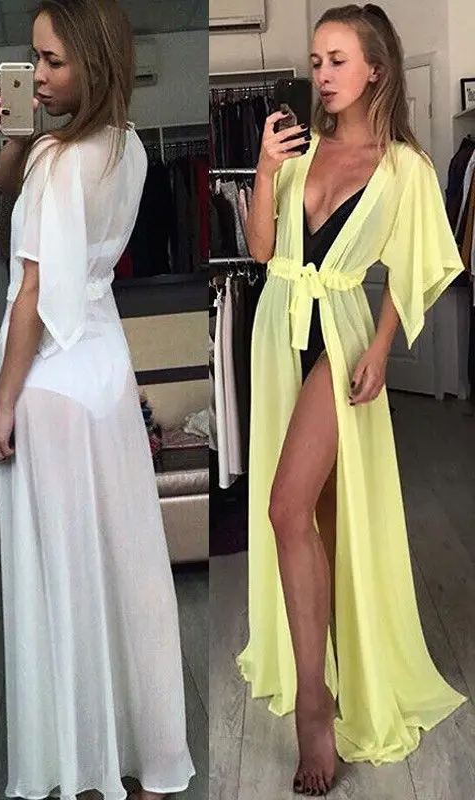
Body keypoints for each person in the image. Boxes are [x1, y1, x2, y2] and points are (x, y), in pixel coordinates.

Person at [238, 3, 466, 795]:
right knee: (316, 516)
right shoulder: (297, 153)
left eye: (338, 60)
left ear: (375, 68)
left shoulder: (405, 167)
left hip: (336, 337)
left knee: (284, 507)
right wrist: (263, 171)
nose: (323, 74)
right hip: (276, 330)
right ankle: (324, 661)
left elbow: (414, 266)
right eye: (316, 61)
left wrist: (380, 348)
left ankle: (316, 704)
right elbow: (261, 250)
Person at [0, 2, 195, 799]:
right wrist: (15, 138)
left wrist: (1, 404)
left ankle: (81, 764)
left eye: (54, 61)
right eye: (34, 58)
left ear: (95, 64)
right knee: (125, 567)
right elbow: (13, 189)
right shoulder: (127, 148)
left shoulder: (59, 160)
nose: (37, 75)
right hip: (106, 369)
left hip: (49, 384)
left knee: (62, 585)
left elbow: (31, 289)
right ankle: (144, 757)